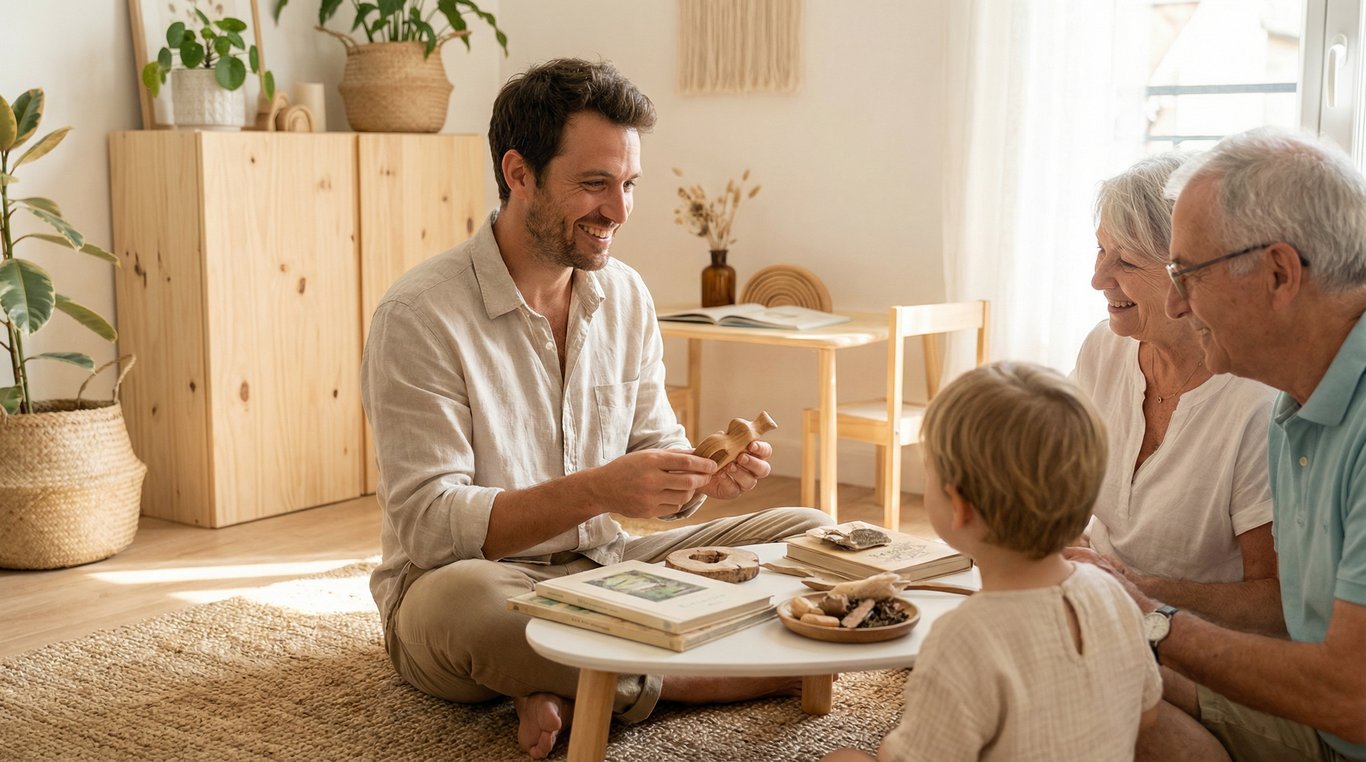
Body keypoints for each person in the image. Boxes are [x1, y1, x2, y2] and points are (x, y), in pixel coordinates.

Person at [360, 58, 831, 760]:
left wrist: (700, 477)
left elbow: (654, 448)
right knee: (466, 608)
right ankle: (732, 675)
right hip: (471, 584)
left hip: (605, 569)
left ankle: (565, 682)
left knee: (812, 532)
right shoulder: (419, 314)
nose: (619, 210)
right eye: (594, 184)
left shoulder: (627, 296)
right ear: (518, 174)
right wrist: (600, 491)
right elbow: (430, 528)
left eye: (628, 183)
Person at [1081, 127, 1366, 762]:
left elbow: (1352, 699)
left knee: (1097, 692)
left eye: (1188, 273)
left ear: (1279, 272)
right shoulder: (1300, 391)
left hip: (1339, 729)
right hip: (1315, 704)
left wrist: (1148, 615)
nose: (1177, 306)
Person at [822, 361, 1161, 762]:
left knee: (841, 758)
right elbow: (1147, 715)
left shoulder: (964, 637)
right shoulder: (1113, 594)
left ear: (960, 506)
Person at [1070, 153, 1283, 637]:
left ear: (1188, 271)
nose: (1098, 279)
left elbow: (1274, 603)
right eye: (1099, 251)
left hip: (1202, 643)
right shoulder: (1103, 348)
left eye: (1124, 260)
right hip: (1105, 610)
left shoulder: (1256, 401)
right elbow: (1062, 496)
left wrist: (1139, 591)